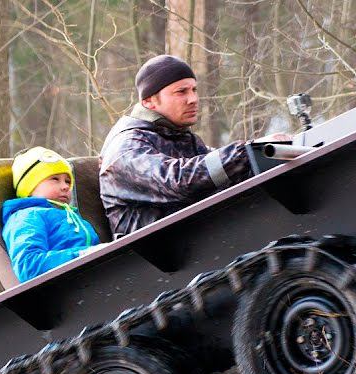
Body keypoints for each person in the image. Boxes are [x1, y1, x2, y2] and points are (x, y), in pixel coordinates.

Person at [99, 54, 290, 237]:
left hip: (202, 235)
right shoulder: (125, 149)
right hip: (160, 257)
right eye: (181, 92)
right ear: (149, 101)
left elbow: (222, 174)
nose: (193, 99)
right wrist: (247, 152)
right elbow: (178, 181)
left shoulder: (178, 135)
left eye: (194, 90)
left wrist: (269, 153)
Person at [2, 146, 105, 283]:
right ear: (30, 186)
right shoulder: (27, 217)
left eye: (67, 181)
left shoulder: (72, 217)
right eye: (55, 179)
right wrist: (82, 255)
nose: (65, 186)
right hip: (64, 288)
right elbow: (28, 265)